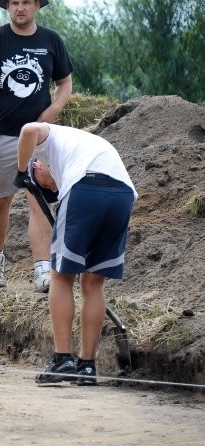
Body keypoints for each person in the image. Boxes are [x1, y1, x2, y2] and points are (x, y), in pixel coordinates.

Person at [0, 0, 74, 293]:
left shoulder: (51, 41)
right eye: (14, 3)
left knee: (39, 200)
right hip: (1, 136)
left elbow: (65, 83)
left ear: (37, 5)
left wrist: (52, 111)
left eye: (26, 2)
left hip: (40, 136)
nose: (20, 8)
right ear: (7, 7)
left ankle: (42, 269)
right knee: (0, 202)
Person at [13, 122, 137, 385]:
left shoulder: (47, 141)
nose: (53, 189)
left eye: (46, 187)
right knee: (93, 282)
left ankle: (62, 359)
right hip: (123, 195)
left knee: (61, 276)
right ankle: (87, 367)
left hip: (84, 188)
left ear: (38, 165)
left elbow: (27, 130)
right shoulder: (81, 141)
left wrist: (21, 171)